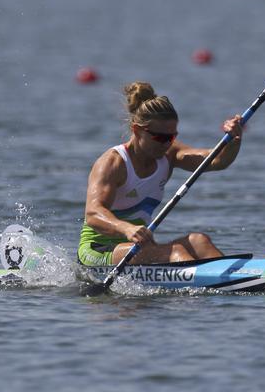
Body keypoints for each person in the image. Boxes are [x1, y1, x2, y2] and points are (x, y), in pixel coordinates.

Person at [78, 81, 244, 266]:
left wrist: (234, 141)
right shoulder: (113, 163)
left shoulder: (169, 154)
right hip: (98, 250)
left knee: (199, 241)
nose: (166, 143)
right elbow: (93, 213)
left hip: (139, 248)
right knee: (176, 252)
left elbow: (216, 160)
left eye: (171, 137)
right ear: (137, 130)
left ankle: (236, 278)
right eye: (160, 137)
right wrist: (125, 228)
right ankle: (201, 286)